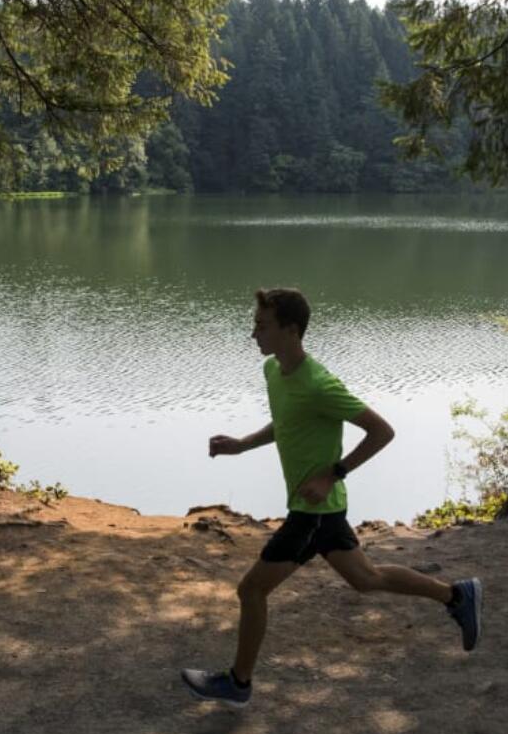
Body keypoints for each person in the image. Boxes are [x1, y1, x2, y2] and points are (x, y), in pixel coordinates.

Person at [181, 288, 483, 708]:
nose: (253, 334)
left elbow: (382, 432)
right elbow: (285, 422)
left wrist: (332, 473)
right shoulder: (274, 371)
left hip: (313, 512)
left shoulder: (320, 384)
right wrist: (241, 444)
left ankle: (238, 683)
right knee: (366, 579)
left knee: (251, 591)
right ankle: (457, 595)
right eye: (254, 324)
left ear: (290, 330)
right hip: (323, 508)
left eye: (262, 325)